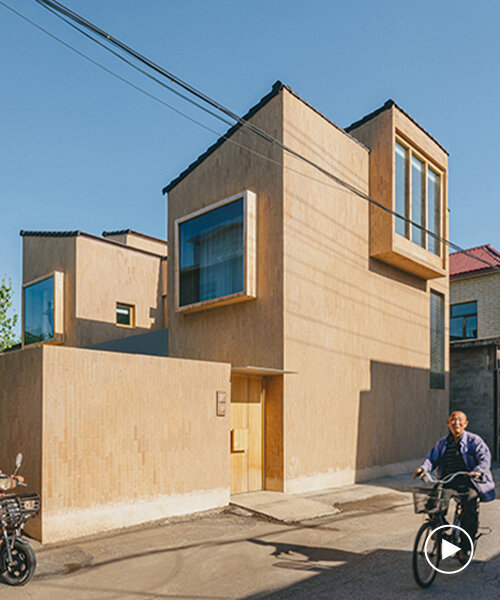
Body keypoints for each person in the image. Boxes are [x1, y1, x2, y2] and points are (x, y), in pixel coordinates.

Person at [413, 411, 495, 562]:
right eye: (453, 420)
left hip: (468, 482)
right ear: (448, 423)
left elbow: (485, 458)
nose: (456, 423)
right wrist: (423, 469)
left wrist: (478, 470)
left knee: (470, 507)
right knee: (431, 504)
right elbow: (432, 459)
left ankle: (464, 548)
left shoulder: (474, 440)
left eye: (459, 420)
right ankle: (442, 529)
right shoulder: (443, 443)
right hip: (447, 481)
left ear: (465, 424)